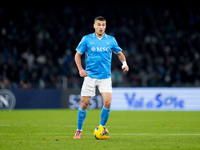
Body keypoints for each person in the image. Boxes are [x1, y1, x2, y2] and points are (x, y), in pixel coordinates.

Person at [74, 16, 129, 139]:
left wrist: (124, 64)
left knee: (108, 103)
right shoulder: (87, 39)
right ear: (94, 26)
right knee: (84, 104)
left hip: (105, 77)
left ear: (105, 26)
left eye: (103, 25)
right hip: (90, 76)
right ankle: (79, 130)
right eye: (98, 24)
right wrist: (81, 69)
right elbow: (77, 55)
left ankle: (101, 128)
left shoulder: (111, 40)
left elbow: (120, 54)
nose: (101, 27)